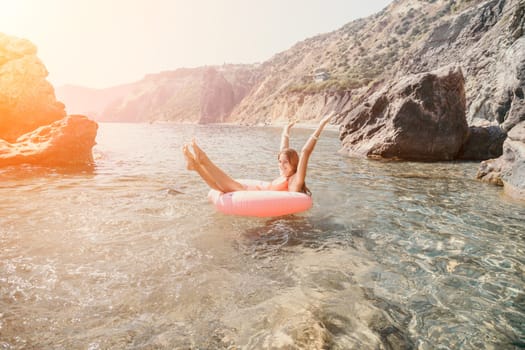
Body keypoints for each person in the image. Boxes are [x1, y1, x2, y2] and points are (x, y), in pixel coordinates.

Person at [182, 111, 335, 195]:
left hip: (247, 193)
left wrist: (321, 124)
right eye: (279, 161)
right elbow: (283, 149)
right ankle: (196, 165)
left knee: (222, 187)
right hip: (250, 191)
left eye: (285, 162)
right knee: (219, 187)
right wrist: (286, 130)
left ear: (294, 163)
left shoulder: (295, 181)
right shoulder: (284, 175)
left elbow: (305, 152)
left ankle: (203, 161)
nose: (281, 165)